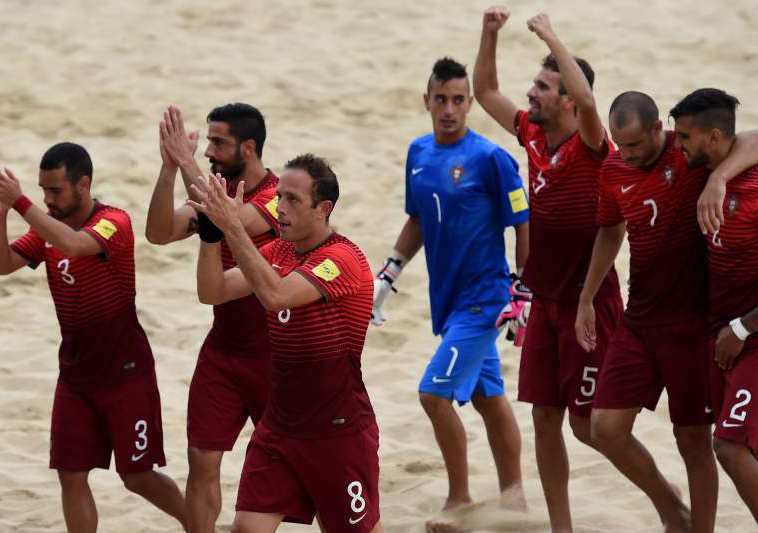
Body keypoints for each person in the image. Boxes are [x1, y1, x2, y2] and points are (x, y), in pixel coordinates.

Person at [575, 90, 758, 533]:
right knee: (604, 428)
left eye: (634, 145)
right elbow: (610, 230)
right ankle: (672, 510)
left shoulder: (688, 155)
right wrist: (587, 297)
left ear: (657, 130)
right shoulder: (614, 169)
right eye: (619, 145)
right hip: (639, 320)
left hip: (692, 325)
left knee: (694, 441)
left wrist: (718, 180)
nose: (626, 154)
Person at [0, 142, 186, 532]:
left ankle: (199, 526)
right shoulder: (47, 227)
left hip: (125, 372)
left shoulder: (113, 221)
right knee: (71, 474)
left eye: (55, 190)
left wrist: (20, 202)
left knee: (137, 477)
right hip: (75, 375)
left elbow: (75, 245)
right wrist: (0, 216)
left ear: (83, 185)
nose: (47, 199)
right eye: (43, 190)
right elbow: (1, 265)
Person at [474, 8, 622, 531]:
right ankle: (562, 528)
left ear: (567, 100)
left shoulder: (592, 145)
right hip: (545, 300)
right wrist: (489, 33)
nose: (531, 93)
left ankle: (664, 493)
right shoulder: (533, 135)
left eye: (543, 87)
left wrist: (553, 36)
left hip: (589, 301)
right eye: (534, 84)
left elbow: (589, 102)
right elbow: (485, 91)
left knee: (589, 427)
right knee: (544, 417)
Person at [371, 56, 530, 512]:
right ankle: (515, 497)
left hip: (485, 299)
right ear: (427, 100)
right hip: (448, 299)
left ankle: (458, 498)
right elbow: (418, 219)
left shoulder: (490, 158)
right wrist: (389, 273)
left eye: (458, 100)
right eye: (440, 99)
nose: (449, 109)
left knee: (433, 394)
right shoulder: (418, 153)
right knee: (488, 396)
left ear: (469, 103)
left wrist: (524, 290)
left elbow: (523, 222)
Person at [191, 155, 382, 533]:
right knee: (246, 528)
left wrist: (234, 228)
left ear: (323, 209)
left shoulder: (342, 258)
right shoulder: (278, 251)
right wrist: (212, 235)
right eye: (279, 197)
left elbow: (276, 295)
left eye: (293, 199)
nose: (280, 207)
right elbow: (213, 291)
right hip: (279, 427)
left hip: (337, 430)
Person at [145, 104, 279, 532]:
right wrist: (169, 169)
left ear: (249, 147)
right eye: (207, 142)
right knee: (201, 459)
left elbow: (230, 219)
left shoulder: (278, 197)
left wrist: (186, 164)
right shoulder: (213, 190)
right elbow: (158, 233)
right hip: (223, 352)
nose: (208, 151)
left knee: (298, 466)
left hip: (275, 358)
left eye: (218, 143)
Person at [671, 88, 758, 532]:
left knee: (729, 447)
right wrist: (717, 179)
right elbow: (754, 136)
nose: (678, 145)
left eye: (684, 137)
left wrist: (743, 329)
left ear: (714, 138)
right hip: (724, 339)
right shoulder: (706, 169)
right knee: (757, 448)